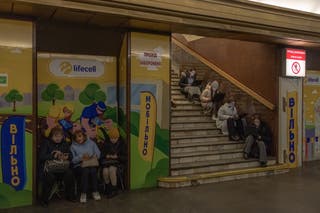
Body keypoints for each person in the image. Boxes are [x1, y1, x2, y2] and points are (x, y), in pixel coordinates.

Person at [39, 127, 76, 207]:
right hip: (49, 169)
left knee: (69, 174)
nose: (58, 138)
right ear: (51, 136)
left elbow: (71, 156)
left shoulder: (65, 143)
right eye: (56, 136)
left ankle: (70, 196)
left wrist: (66, 156)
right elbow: (41, 157)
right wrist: (53, 155)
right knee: (50, 177)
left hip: (62, 168)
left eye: (60, 136)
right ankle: (44, 200)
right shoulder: (46, 143)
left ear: (62, 136)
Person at [70, 129, 101, 203]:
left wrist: (94, 156)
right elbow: (72, 160)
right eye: (76, 137)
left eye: (80, 136)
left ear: (84, 136)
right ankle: (83, 193)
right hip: (79, 166)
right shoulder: (72, 146)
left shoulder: (91, 143)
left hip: (91, 163)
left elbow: (98, 154)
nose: (78, 138)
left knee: (93, 170)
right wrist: (81, 157)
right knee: (85, 171)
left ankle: (95, 191)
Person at [101, 128, 127, 198]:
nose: (113, 140)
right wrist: (107, 155)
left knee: (111, 170)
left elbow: (125, 157)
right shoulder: (106, 143)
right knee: (105, 171)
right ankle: (107, 188)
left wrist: (117, 157)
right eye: (111, 138)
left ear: (118, 137)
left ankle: (114, 189)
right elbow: (101, 155)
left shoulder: (122, 144)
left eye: (115, 138)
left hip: (118, 163)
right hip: (107, 162)